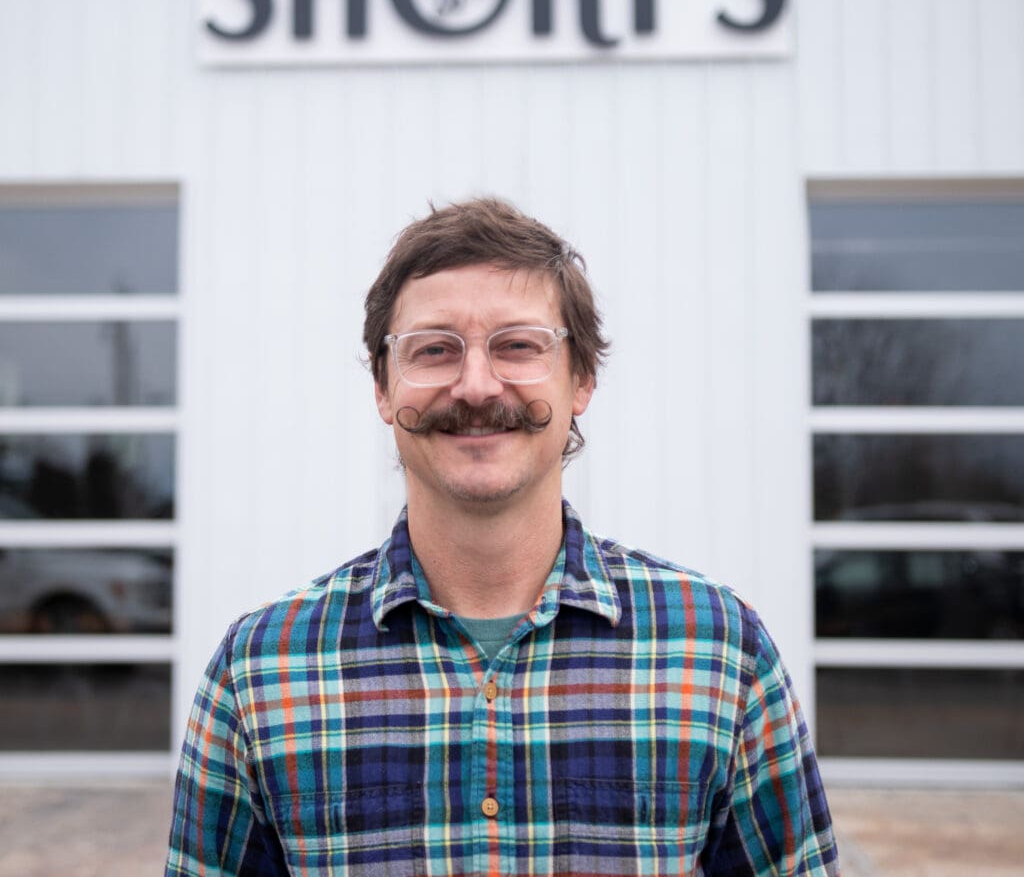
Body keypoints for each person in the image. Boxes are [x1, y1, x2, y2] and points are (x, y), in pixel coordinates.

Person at [166, 197, 839, 876]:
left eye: (518, 345)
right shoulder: (259, 672)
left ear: (581, 379)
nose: (477, 385)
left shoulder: (719, 651)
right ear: (382, 385)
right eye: (434, 349)